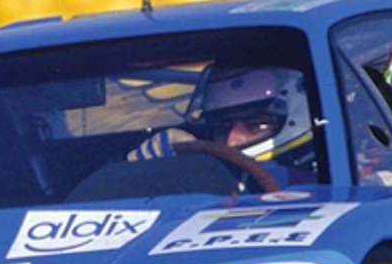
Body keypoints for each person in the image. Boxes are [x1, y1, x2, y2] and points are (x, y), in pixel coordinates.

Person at [130, 64, 316, 184]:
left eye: (255, 124)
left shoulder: (319, 180)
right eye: (223, 126)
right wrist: (147, 171)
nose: (232, 140)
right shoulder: (200, 171)